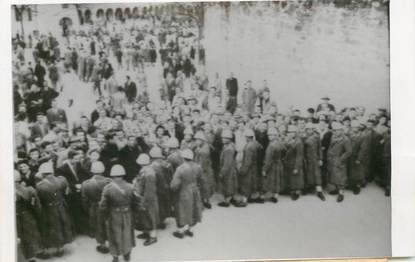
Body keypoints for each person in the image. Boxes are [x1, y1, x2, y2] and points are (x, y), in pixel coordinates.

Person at [99, 164, 138, 262]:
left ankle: (115, 256)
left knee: (113, 235)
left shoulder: (108, 188)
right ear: (123, 174)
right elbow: (136, 201)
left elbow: (103, 205)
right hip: (128, 213)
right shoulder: (130, 186)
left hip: (113, 215)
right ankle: (127, 254)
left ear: (112, 175)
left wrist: (105, 215)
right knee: (127, 233)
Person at [35, 162, 73, 257]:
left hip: (49, 208)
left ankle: (56, 246)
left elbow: (39, 200)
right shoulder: (62, 180)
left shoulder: (40, 186)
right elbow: (68, 193)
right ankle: (60, 248)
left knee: (53, 227)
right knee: (63, 224)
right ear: (52, 171)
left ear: (42, 174)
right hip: (61, 206)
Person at [170, 149, 204, 238]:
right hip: (195, 190)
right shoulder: (198, 167)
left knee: (182, 210)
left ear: (183, 158)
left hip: (184, 191)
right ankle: (189, 229)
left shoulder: (180, 168)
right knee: (193, 209)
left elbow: (174, 184)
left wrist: (172, 189)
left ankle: (181, 231)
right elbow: (201, 179)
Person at [15, 170, 46, 262]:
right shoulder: (29, 190)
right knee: (32, 234)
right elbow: (37, 206)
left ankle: (26, 257)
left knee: (20, 237)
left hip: (15, 218)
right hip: (27, 215)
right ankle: (36, 253)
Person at [81, 161, 111, 254]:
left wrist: (87, 209)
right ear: (103, 170)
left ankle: (102, 245)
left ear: (92, 171)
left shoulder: (86, 183)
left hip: (94, 207)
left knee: (98, 226)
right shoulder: (109, 181)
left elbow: (84, 200)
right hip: (108, 207)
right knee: (109, 224)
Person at [134, 154, 159, 246]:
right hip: (144, 197)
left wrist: (144, 202)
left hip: (149, 199)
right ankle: (146, 232)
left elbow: (149, 190)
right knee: (144, 217)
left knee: (151, 217)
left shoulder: (149, 173)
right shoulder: (145, 170)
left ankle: (153, 237)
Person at [327, 122, 352, 202]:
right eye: (334, 130)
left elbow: (348, 152)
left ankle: (341, 193)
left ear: (342, 130)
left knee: (341, 178)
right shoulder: (333, 137)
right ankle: (336, 189)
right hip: (332, 159)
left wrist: (340, 159)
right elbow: (330, 147)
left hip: (339, 161)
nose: (336, 132)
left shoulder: (346, 139)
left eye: (338, 130)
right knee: (333, 176)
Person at [149, 146, 172, 229]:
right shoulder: (166, 163)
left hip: (158, 187)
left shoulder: (153, 166)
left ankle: (159, 221)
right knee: (164, 203)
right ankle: (163, 220)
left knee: (159, 204)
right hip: (166, 186)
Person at [239, 128, 263, 205]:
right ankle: (256, 197)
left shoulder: (248, 147)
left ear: (247, 137)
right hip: (255, 167)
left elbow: (247, 161)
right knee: (254, 182)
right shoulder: (256, 143)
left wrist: (243, 170)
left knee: (246, 183)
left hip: (249, 168)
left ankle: (244, 200)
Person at [262, 127, 285, 203]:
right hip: (279, 163)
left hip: (272, 166)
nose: (269, 137)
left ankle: (268, 196)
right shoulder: (280, 143)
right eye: (269, 135)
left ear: (275, 135)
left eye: (271, 135)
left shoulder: (271, 146)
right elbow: (285, 151)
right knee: (277, 180)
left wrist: (265, 169)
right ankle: (276, 195)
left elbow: (268, 159)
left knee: (270, 181)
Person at [303, 123, 325, 201]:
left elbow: (319, 149)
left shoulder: (317, 137)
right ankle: (309, 187)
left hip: (315, 158)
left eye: (311, 129)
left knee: (317, 175)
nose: (309, 131)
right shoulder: (303, 137)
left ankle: (319, 191)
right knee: (308, 174)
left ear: (313, 130)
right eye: (308, 129)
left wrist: (320, 159)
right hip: (307, 159)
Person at [217, 129, 239, 207]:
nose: (223, 139)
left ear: (229, 139)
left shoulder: (229, 149)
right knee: (230, 184)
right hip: (231, 169)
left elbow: (227, 164)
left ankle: (227, 201)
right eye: (222, 138)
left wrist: (222, 173)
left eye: (225, 138)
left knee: (228, 184)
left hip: (228, 170)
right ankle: (231, 198)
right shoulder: (229, 146)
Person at [193, 131, 215, 209]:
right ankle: (205, 200)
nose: (196, 141)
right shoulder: (202, 147)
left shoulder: (204, 150)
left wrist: (198, 171)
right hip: (204, 169)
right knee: (204, 186)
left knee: (205, 185)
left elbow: (203, 163)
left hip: (204, 170)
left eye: (197, 140)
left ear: (202, 140)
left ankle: (206, 201)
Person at [284, 125, 304, 200]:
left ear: (295, 133)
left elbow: (299, 156)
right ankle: (292, 190)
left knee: (296, 178)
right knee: (291, 178)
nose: (290, 133)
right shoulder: (289, 140)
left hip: (295, 162)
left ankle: (296, 192)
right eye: (289, 132)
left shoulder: (298, 142)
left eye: (292, 132)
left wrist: (296, 167)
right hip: (289, 162)